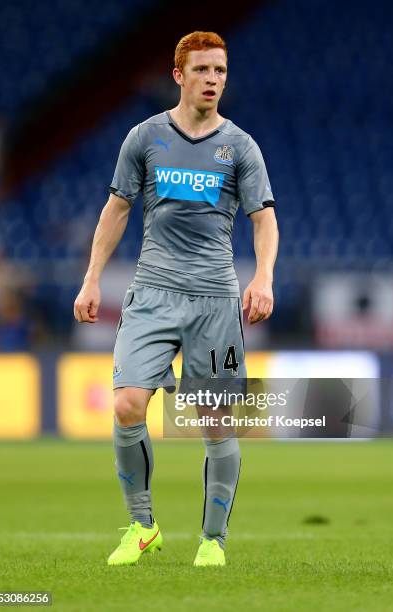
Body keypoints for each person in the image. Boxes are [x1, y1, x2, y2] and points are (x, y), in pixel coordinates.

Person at [73, 31, 278, 567]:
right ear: (179, 75)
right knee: (125, 404)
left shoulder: (242, 147)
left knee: (215, 421)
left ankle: (212, 540)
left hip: (214, 298)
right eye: (204, 70)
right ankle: (142, 526)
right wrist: (92, 277)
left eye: (221, 71)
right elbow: (116, 209)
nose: (213, 80)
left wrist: (264, 277)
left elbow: (264, 220)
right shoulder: (144, 138)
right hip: (153, 293)